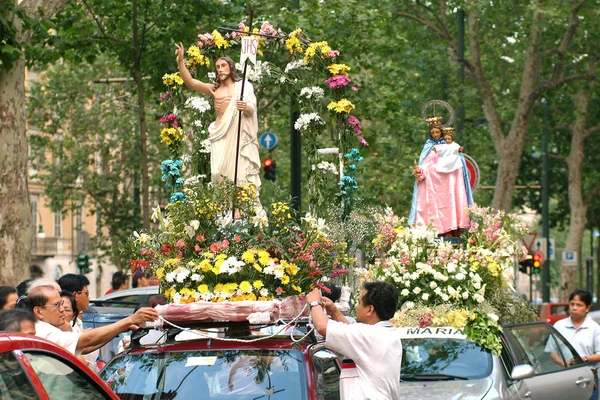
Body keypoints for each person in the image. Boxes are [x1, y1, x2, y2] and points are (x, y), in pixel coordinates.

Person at [175, 44, 261, 191]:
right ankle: (223, 207)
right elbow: (191, 82)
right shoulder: (214, 88)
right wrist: (180, 62)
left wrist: (245, 107)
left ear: (231, 67)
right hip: (219, 134)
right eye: (217, 67)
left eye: (223, 65)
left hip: (236, 135)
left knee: (238, 170)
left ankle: (238, 209)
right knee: (218, 172)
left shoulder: (243, 87)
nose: (220, 69)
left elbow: (251, 109)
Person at [306, 282, 402, 400]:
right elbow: (353, 333)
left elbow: (322, 326)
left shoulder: (369, 336)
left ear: (370, 309)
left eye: (360, 303)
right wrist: (334, 311)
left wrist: (314, 303)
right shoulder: (386, 335)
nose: (357, 307)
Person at [25, 285, 159, 356]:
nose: (62, 310)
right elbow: (86, 340)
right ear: (38, 311)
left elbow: (86, 347)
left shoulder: (49, 328)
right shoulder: (43, 331)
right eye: (57, 305)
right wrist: (129, 320)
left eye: (62, 304)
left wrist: (122, 327)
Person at [408, 118, 473, 237]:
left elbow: (459, 162)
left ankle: (451, 230)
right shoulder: (429, 147)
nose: (435, 135)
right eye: (433, 133)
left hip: (449, 185)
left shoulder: (449, 145)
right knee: (435, 209)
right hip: (434, 189)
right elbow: (425, 165)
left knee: (450, 206)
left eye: (437, 132)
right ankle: (436, 231)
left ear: (441, 132)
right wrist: (420, 171)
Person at [547, 289, 600, 400]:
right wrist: (564, 363)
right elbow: (552, 352)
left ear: (587, 308)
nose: (574, 308)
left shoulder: (594, 328)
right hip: (564, 376)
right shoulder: (559, 326)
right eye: (572, 304)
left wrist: (584, 359)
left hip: (588, 377)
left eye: (579, 305)